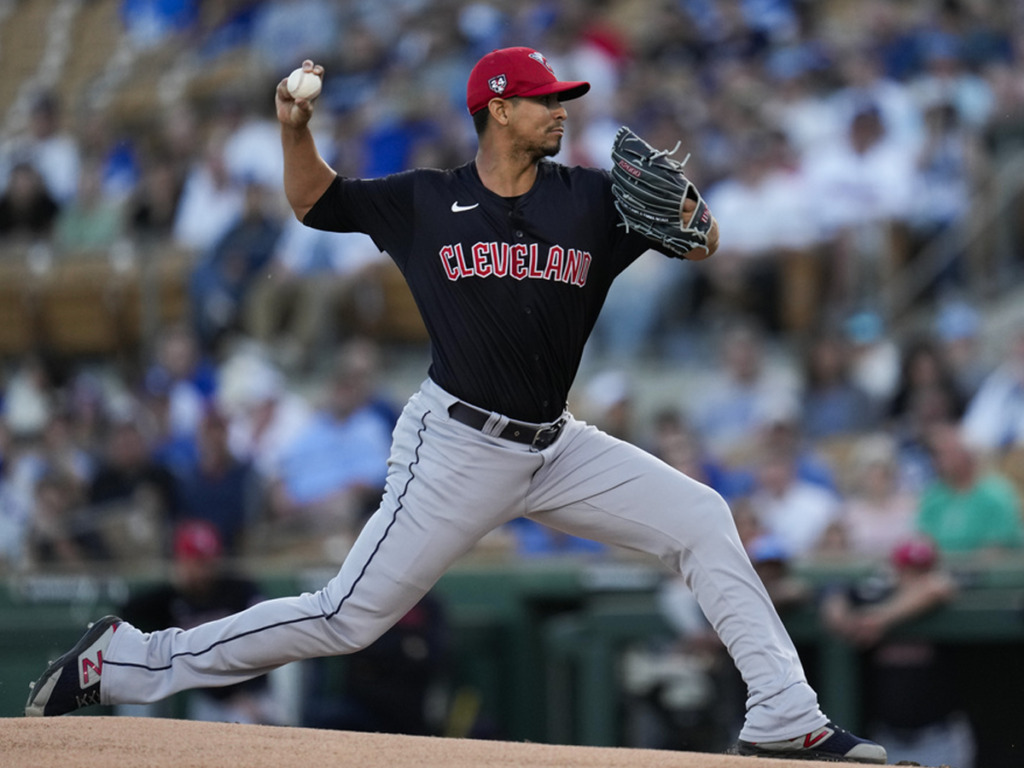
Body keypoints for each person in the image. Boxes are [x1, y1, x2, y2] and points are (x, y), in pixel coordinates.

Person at [24, 48, 885, 763]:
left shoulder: (590, 197)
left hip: (558, 447)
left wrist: (692, 211)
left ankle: (782, 712)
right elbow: (313, 199)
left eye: (564, 99)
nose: (562, 111)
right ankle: (126, 661)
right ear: (496, 108)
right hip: (456, 447)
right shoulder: (426, 201)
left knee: (701, 516)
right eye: (546, 100)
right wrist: (294, 128)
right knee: (344, 617)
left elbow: (705, 242)